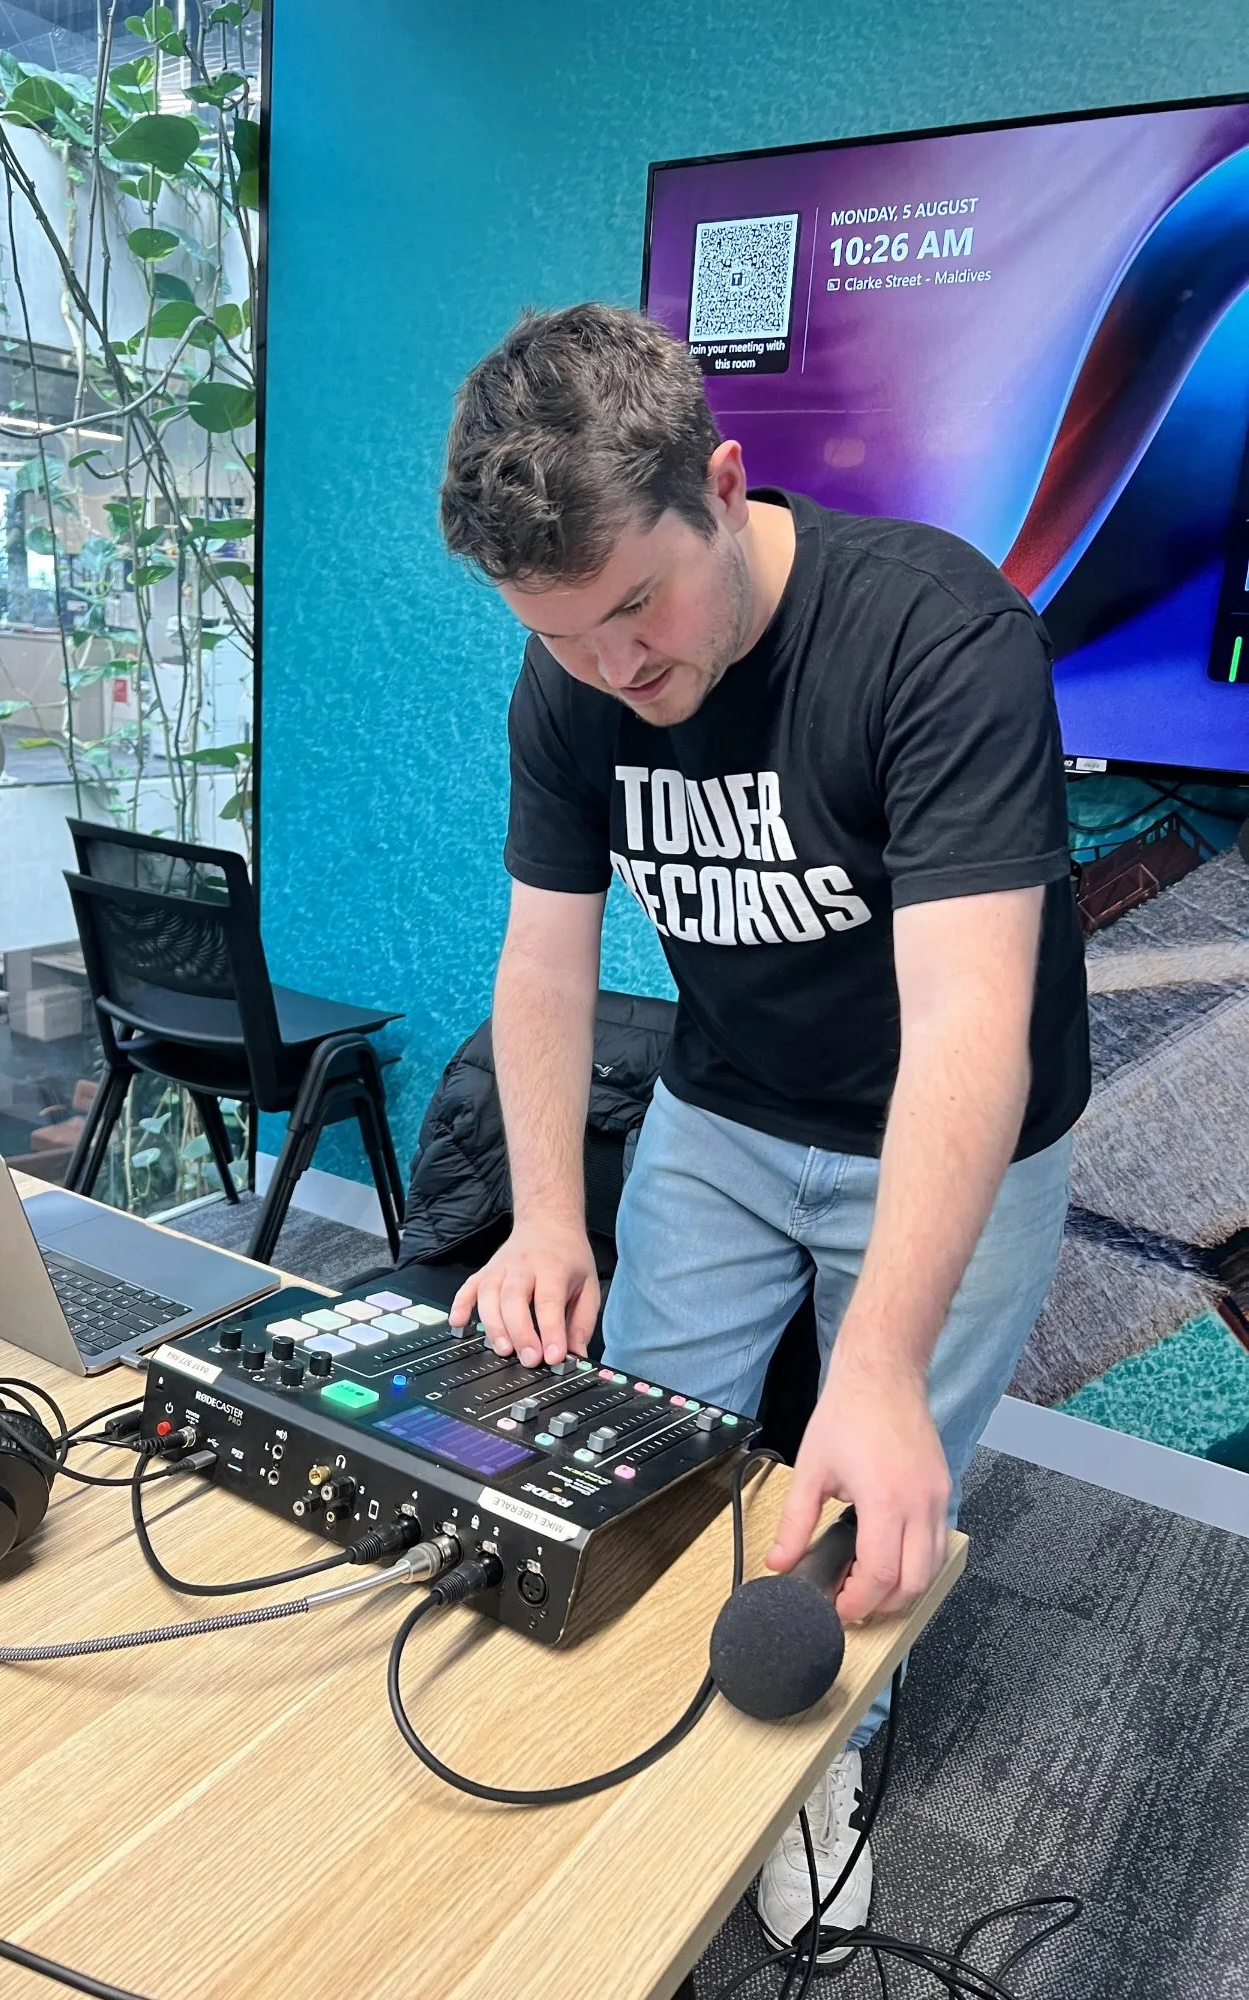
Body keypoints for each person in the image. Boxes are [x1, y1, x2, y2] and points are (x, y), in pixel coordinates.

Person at [438, 303, 1089, 1961]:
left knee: (863, 1508)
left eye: (637, 612)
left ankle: (819, 1766)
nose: (613, 674)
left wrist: (869, 1371)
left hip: (952, 1134)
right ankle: (648, 1712)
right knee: (653, 1454)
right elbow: (541, 957)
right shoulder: (573, 673)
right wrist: (540, 1218)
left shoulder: (941, 639)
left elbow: (967, 1031)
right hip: (721, 1115)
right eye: (565, 636)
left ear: (724, 484)